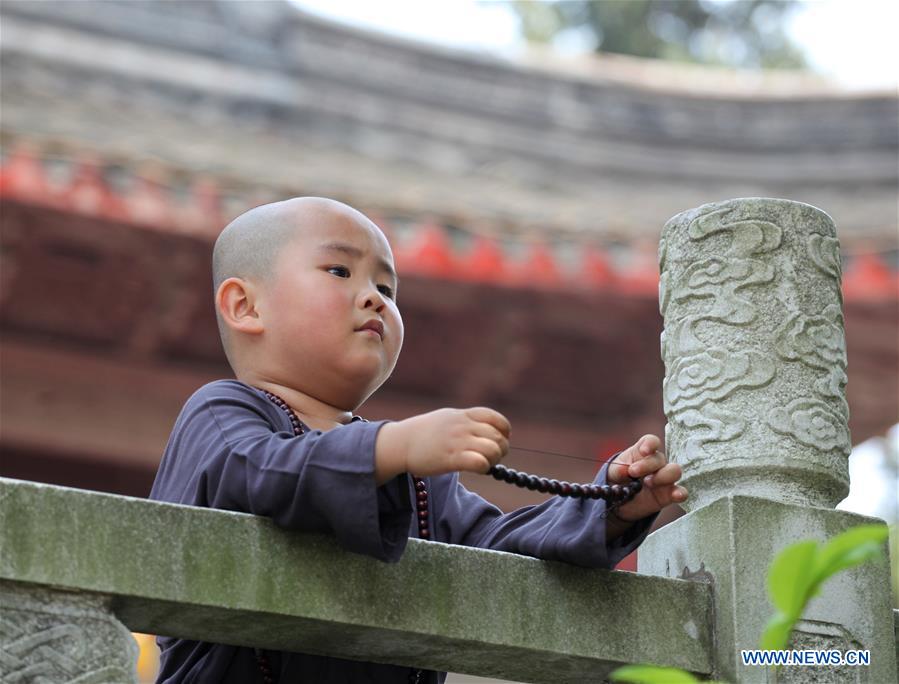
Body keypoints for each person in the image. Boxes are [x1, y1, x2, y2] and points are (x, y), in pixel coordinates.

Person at [149, 197, 688, 683]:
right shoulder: (222, 410)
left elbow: (497, 552)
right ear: (246, 306)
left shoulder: (415, 476)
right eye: (339, 270)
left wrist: (611, 507)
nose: (374, 299)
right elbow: (261, 473)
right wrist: (395, 447)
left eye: (386, 288)